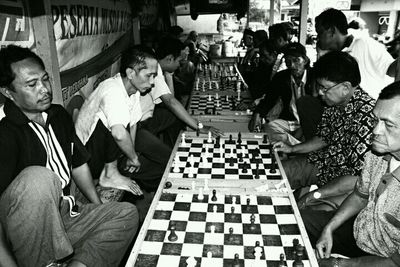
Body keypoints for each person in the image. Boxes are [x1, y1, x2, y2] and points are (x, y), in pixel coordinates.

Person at [0, 45, 138, 267]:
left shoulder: (57, 115)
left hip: (66, 215)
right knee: (39, 179)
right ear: (8, 92)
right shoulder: (5, 133)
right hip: (27, 233)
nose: (44, 89)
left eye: (45, 80)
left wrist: (98, 206)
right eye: (31, 84)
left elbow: (77, 163)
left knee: (126, 214)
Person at [302, 81, 400, 266]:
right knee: (293, 219)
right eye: (375, 120)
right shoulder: (376, 155)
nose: (375, 131)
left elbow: (394, 262)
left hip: (382, 257)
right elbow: (360, 197)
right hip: (361, 230)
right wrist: (329, 228)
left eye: (388, 124)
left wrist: (341, 264)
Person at [274, 51, 376, 211]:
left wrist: (315, 195)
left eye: (324, 88)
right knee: (274, 174)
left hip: (351, 188)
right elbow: (323, 138)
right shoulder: (334, 103)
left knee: (306, 213)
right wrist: (292, 148)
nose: (319, 93)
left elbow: (358, 179)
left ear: (345, 88)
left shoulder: (368, 117)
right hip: (325, 164)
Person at [75, 46, 167, 194]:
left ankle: (120, 175)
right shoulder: (113, 90)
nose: (152, 82)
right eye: (148, 75)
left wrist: (132, 157)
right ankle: (110, 174)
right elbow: (118, 133)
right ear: (130, 73)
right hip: (88, 159)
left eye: (154, 76)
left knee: (161, 169)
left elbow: (133, 125)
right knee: (117, 125)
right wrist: (133, 158)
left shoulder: (133, 91)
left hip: (111, 154)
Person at [139, 36, 222, 148]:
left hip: (146, 117)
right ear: (169, 59)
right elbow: (170, 102)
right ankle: (176, 149)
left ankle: (174, 146)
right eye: (179, 61)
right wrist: (199, 127)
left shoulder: (158, 68)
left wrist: (169, 75)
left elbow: (170, 99)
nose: (179, 65)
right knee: (176, 116)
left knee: (175, 115)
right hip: (140, 124)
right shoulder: (155, 72)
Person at [249, 42, 322, 145]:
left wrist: (304, 127)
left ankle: (292, 144)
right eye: (288, 61)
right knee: (270, 127)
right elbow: (269, 100)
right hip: (292, 122)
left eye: (296, 60)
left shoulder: (315, 77)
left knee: (313, 133)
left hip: (312, 122)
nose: (292, 65)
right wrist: (257, 114)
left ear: (305, 60)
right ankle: (297, 144)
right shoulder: (281, 77)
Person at [315, 8, 396, 99]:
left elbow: (391, 69)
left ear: (331, 31)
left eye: (320, 33)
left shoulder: (364, 44)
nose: (317, 38)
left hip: (369, 108)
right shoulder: (333, 55)